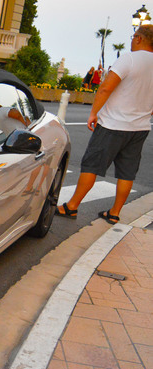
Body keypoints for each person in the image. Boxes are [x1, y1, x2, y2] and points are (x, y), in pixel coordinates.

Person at [56, 25, 153, 225]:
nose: (132, 40)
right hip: (140, 127)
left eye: (133, 36)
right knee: (127, 171)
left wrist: (94, 113)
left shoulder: (130, 59)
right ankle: (115, 212)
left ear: (139, 39)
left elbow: (106, 88)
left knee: (91, 165)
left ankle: (72, 206)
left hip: (112, 124)